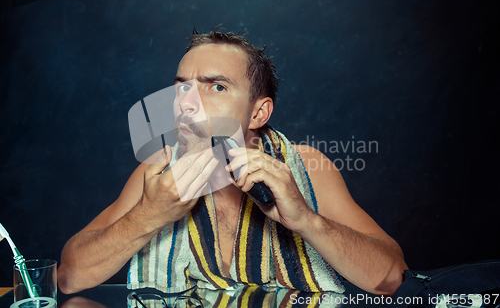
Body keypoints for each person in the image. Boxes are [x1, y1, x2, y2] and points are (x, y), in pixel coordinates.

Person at [58, 30, 408, 297]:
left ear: (258, 112)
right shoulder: (158, 173)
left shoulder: (307, 166)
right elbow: (69, 277)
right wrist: (147, 216)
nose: (187, 103)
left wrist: (305, 220)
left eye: (217, 87)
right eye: (182, 88)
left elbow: (391, 277)